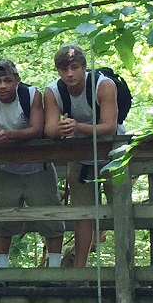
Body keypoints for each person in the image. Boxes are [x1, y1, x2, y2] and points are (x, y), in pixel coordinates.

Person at [0, 59, 64, 269]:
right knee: (2, 220)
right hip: (6, 169)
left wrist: (9, 135)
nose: (2, 86)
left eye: (7, 80)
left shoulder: (32, 95)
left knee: (51, 218)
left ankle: (55, 271)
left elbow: (37, 129)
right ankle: (2, 271)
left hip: (38, 168)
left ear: (17, 80)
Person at [44, 45, 119, 269]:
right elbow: (49, 129)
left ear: (84, 67)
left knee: (121, 209)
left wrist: (79, 127)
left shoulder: (103, 85)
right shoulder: (52, 91)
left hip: (114, 157)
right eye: (64, 69)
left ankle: (125, 265)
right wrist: (63, 129)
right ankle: (80, 273)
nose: (69, 74)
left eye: (75, 68)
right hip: (80, 158)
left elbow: (110, 126)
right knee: (83, 215)